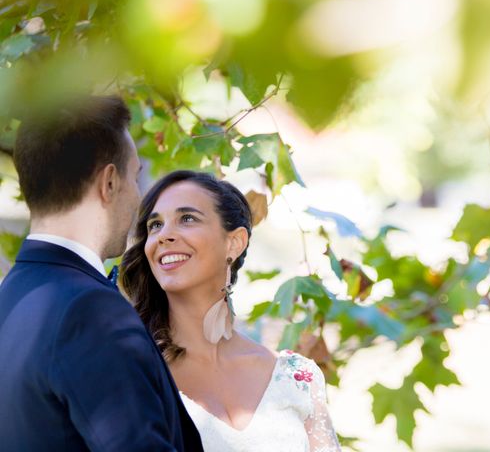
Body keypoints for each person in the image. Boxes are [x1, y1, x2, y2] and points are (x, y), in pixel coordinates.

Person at [0, 96, 203, 452]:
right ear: (109, 182)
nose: (139, 196)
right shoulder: (89, 311)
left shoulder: (11, 297)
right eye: (135, 175)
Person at [120, 170, 341, 452]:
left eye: (187, 218)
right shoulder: (132, 369)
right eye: (155, 225)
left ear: (234, 243)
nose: (164, 235)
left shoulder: (297, 377)